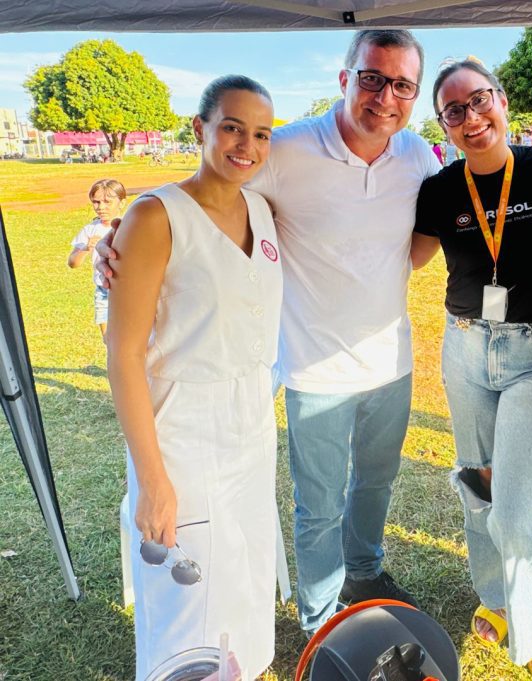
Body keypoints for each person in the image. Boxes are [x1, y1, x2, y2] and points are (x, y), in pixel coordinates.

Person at [100, 31, 441, 638]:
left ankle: (364, 570)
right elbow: (212, 186)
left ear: (413, 94)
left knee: (376, 484)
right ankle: (319, 616)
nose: (385, 96)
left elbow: (418, 248)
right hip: (313, 370)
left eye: (402, 85)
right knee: (319, 508)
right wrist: (128, 230)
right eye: (371, 77)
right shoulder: (285, 148)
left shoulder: (417, 155)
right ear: (345, 79)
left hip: (392, 361)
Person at [411, 59, 532, 680]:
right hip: (463, 349)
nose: (470, 118)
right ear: (443, 124)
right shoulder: (439, 190)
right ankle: (497, 600)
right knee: (478, 488)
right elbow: (394, 255)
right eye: (453, 111)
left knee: (516, 511)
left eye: (478, 100)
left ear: (503, 100)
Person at [106, 75, 280, 680]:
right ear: (200, 128)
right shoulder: (156, 215)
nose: (247, 145)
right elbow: (123, 354)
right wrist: (152, 481)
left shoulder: (262, 208)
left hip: (253, 422)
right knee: (188, 597)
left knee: (245, 576)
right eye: (232, 126)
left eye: (261, 133)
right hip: (183, 430)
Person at [68, 179, 125, 343]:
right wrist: (85, 248)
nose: (101, 207)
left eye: (107, 202)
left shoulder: (127, 225)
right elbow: (73, 263)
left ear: (121, 202)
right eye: (96, 202)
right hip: (103, 290)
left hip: (125, 289)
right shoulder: (90, 229)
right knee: (108, 339)